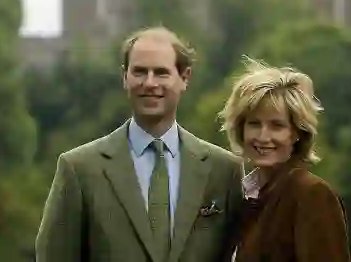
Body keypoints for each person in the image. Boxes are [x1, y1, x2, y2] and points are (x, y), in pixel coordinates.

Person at [35, 26, 244, 262]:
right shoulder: (79, 169)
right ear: (125, 77)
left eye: (161, 72)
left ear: (184, 78)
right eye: (140, 72)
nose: (150, 82)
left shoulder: (224, 171)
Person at [219, 57, 350, 262]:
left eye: (276, 126)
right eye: (254, 124)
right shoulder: (244, 197)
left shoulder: (311, 194)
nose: (263, 137)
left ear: (296, 132)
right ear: (241, 129)